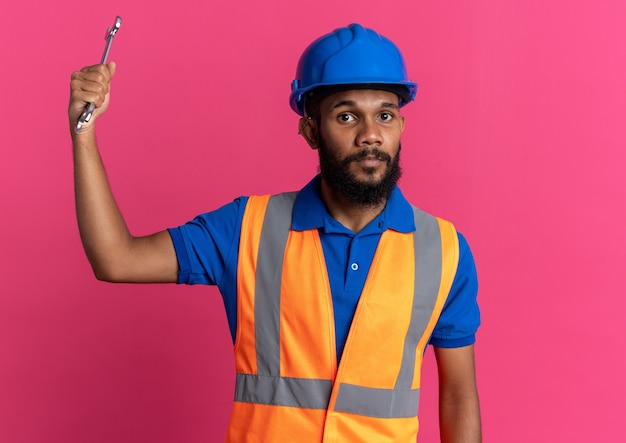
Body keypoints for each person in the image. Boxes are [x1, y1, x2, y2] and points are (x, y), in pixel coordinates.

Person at [69, 23, 481, 442]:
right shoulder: (247, 227)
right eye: (346, 116)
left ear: (401, 127)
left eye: (385, 115)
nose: (370, 134)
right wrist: (82, 133)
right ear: (310, 131)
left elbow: (459, 396)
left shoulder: (443, 250)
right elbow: (115, 258)